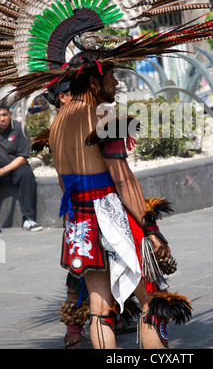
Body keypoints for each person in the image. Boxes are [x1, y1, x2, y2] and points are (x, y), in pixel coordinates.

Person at [49, 57, 191, 349]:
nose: (116, 83)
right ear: (93, 82)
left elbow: (65, 184)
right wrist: (151, 228)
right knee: (152, 302)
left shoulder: (57, 123)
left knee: (100, 312)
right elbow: (124, 181)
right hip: (109, 218)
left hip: (79, 223)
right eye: (111, 77)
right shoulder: (102, 118)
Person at [0, 102, 43, 231]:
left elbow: (23, 158)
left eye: (4, 115)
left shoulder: (19, 128)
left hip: (14, 170)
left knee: (27, 173)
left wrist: (3, 170)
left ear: (10, 115)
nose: (2, 118)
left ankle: (28, 219)